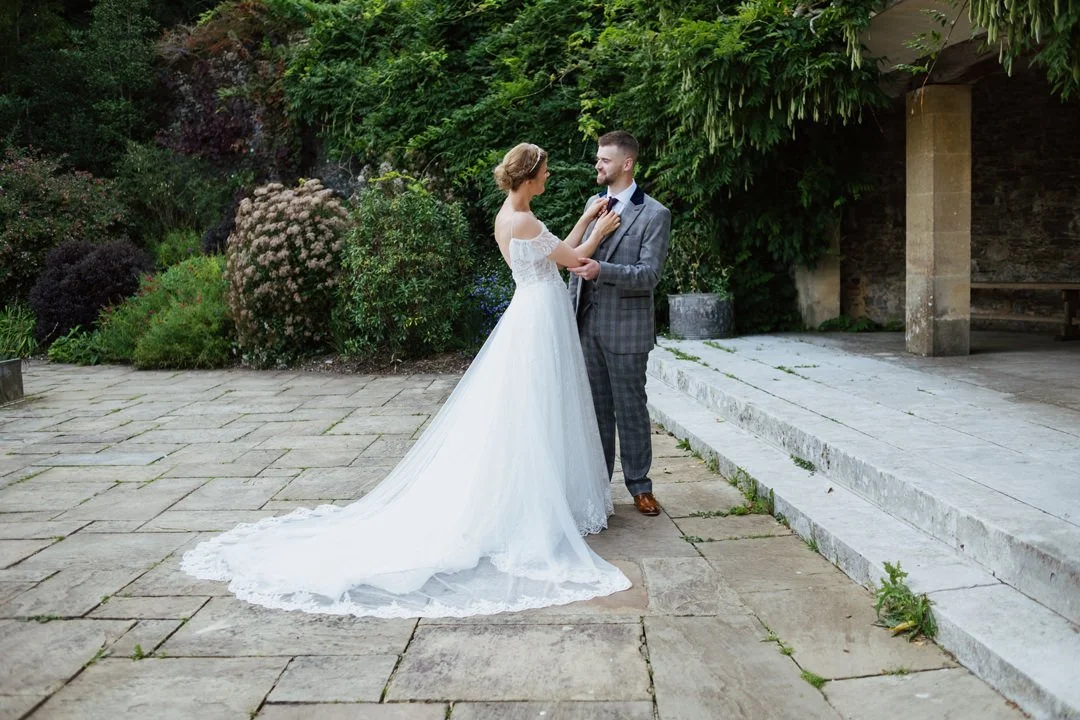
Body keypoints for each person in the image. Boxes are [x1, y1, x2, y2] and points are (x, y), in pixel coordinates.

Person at [181, 143, 630, 618]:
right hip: (540, 319)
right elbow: (573, 258)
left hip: (529, 312)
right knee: (538, 408)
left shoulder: (511, 216)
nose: (548, 176)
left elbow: (552, 250)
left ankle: (543, 492)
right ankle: (533, 505)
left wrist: (585, 222)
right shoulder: (526, 222)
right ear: (530, 175)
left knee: (527, 407)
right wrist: (598, 230)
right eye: (544, 171)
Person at [567, 131, 671, 517]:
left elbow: (649, 275)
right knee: (595, 411)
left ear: (626, 164)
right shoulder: (593, 204)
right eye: (598, 159)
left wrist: (601, 270)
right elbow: (575, 259)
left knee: (630, 408)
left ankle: (640, 487)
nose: (598, 165)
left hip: (626, 329)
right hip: (587, 324)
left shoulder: (655, 214)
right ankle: (598, 488)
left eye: (604, 160)